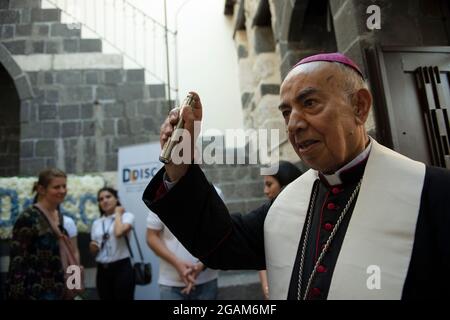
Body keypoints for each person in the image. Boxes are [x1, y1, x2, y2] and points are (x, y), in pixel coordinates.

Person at [142, 53, 450, 300]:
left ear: (359, 106)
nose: (294, 124)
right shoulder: (289, 200)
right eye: (287, 112)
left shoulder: (434, 193)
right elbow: (221, 245)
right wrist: (179, 164)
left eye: (310, 103)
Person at [7, 168, 78, 299]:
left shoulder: (63, 219)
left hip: (61, 291)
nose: (62, 191)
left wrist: (74, 286)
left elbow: (72, 254)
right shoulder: (28, 218)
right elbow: (17, 263)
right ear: (41, 189)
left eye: (64, 186)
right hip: (35, 292)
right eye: (56, 187)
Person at [145, 185, 223, 300]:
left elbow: (221, 233)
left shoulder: (214, 192)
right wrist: (177, 263)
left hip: (206, 279)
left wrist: (202, 265)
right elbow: (151, 236)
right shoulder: (160, 195)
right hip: (170, 282)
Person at [259, 161, 302, 299]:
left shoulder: (308, 214)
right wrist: (267, 288)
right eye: (265, 185)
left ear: (285, 185)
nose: (265, 191)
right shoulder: (267, 215)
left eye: (269, 184)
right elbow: (261, 253)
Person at [90, 187, 135, 300]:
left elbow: (119, 232)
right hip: (102, 269)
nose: (104, 200)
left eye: (108, 197)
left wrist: (118, 213)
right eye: (101, 199)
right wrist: (93, 246)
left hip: (122, 268)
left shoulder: (127, 216)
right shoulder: (96, 223)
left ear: (116, 199)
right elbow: (94, 248)